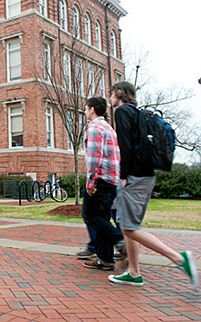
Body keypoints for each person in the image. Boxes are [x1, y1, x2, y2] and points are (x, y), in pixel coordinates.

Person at [108, 82, 197, 287]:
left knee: (129, 228)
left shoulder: (122, 112)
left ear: (120, 93)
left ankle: (179, 259)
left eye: (112, 93)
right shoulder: (137, 113)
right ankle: (134, 272)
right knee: (128, 225)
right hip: (145, 175)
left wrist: (123, 174)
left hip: (133, 176)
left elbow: (125, 146)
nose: (110, 98)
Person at [80, 97, 125, 271]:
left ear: (92, 109)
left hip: (100, 180)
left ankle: (119, 241)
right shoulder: (109, 128)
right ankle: (106, 260)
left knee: (90, 216)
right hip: (112, 180)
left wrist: (90, 181)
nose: (85, 112)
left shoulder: (95, 128)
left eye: (85, 109)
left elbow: (94, 156)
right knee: (103, 218)